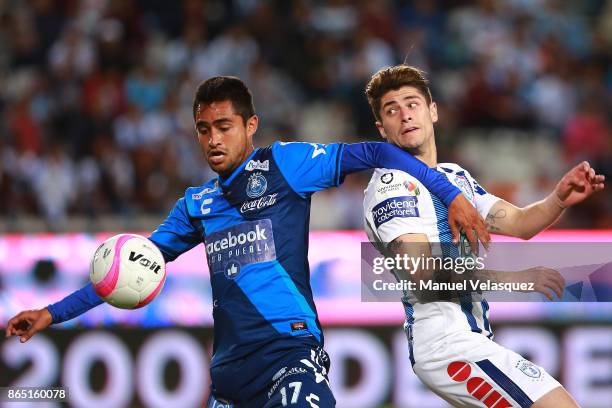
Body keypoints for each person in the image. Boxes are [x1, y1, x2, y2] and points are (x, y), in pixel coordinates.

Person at [6, 76, 488, 407]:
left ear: (249, 126)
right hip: (229, 377)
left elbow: (377, 150)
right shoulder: (196, 204)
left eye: (223, 127)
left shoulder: (287, 166)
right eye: (203, 130)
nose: (213, 139)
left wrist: (449, 196)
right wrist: (53, 313)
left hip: (290, 357)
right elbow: (126, 270)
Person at [362, 65, 605, 408]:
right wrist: (515, 280)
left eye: (412, 103)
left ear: (433, 111)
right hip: (445, 343)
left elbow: (520, 223)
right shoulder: (392, 187)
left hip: (470, 336)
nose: (404, 115)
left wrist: (559, 199)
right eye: (391, 110)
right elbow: (423, 274)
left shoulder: (453, 178)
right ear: (382, 129)